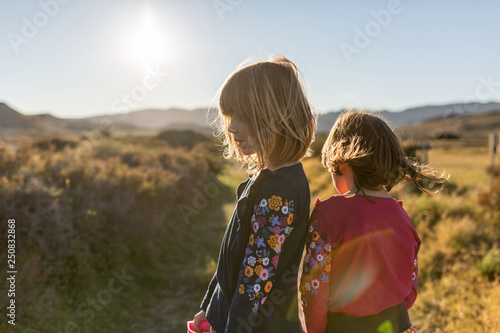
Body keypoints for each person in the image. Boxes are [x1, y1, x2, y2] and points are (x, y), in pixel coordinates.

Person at [192, 55, 316, 333]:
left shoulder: (279, 193)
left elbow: (253, 286)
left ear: (276, 116)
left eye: (242, 116)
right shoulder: (265, 177)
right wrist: (209, 308)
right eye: (228, 116)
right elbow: (232, 257)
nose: (232, 126)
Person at [299, 110, 448, 333]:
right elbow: (410, 287)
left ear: (341, 164)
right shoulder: (402, 217)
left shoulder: (327, 215)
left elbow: (314, 290)